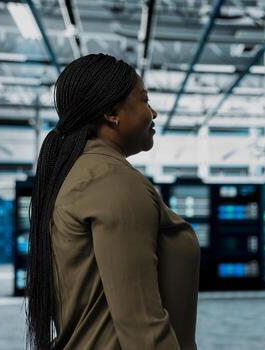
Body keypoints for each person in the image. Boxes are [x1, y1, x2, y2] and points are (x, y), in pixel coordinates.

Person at [26, 53, 201, 350]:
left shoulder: (82, 173)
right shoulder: (113, 182)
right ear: (112, 113)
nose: (153, 113)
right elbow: (142, 328)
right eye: (145, 100)